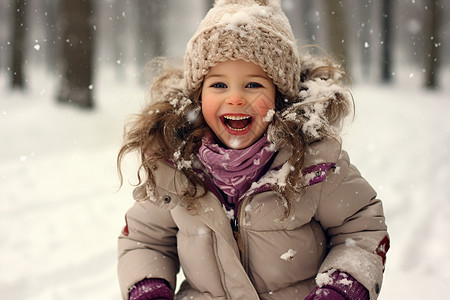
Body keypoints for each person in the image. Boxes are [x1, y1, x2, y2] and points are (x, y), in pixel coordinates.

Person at [116, 0, 389, 299]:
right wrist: (148, 287)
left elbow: (361, 229)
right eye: (219, 85)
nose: (234, 98)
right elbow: (144, 240)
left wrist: (341, 288)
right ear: (198, 94)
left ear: (279, 96)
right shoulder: (176, 166)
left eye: (253, 85)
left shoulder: (313, 164)